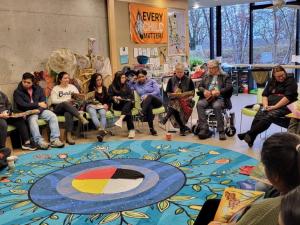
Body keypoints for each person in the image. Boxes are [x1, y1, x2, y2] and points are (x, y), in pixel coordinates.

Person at [194, 132, 300, 225]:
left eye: (264, 165)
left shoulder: (266, 209)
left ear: (275, 176)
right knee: (211, 204)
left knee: (211, 210)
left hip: (256, 211)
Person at [238, 65, 298, 147]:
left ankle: (249, 134)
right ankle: (251, 137)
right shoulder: (271, 81)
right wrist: (265, 105)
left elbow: (288, 97)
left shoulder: (291, 81)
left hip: (287, 106)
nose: (281, 77)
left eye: (282, 75)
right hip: (270, 104)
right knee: (260, 114)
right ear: (274, 76)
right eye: (278, 76)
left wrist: (274, 107)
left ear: (285, 72)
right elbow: (265, 95)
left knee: (269, 115)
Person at [14, 72, 64, 150]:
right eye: (24, 82)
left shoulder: (38, 89)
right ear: (22, 80)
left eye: (28, 83)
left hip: (40, 110)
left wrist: (39, 109)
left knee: (52, 115)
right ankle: (39, 141)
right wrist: (37, 104)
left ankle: (54, 139)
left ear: (33, 82)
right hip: (29, 112)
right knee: (33, 120)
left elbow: (43, 102)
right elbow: (23, 105)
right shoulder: (17, 92)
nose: (26, 84)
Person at [196, 60, 233, 140]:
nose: (209, 70)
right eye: (209, 68)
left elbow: (229, 88)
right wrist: (204, 91)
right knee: (199, 104)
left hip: (220, 98)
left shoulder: (225, 76)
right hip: (208, 97)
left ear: (217, 68)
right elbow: (200, 86)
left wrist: (219, 92)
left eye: (211, 68)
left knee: (216, 106)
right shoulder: (206, 75)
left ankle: (221, 131)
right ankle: (204, 128)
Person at [50, 72, 89, 145]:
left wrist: (77, 99)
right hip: (58, 108)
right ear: (60, 80)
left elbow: (78, 98)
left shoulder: (72, 87)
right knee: (65, 103)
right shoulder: (56, 88)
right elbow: (53, 101)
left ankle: (69, 136)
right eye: (65, 78)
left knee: (68, 113)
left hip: (70, 108)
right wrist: (66, 101)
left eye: (68, 78)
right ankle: (80, 117)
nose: (67, 79)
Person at [160, 63, 195, 136]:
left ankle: (166, 117)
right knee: (176, 103)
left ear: (184, 71)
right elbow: (168, 93)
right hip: (174, 100)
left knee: (175, 105)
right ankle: (182, 127)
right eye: (178, 72)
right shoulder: (171, 80)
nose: (179, 74)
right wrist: (174, 94)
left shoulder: (189, 80)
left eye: (181, 72)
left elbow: (192, 93)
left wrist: (187, 97)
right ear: (175, 71)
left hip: (186, 101)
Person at [132, 69, 163, 135]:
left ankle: (142, 113)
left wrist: (148, 95)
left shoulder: (152, 81)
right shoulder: (136, 85)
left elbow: (157, 91)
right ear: (137, 78)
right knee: (149, 106)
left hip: (156, 101)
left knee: (149, 96)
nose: (141, 78)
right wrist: (132, 80)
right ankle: (152, 129)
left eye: (142, 76)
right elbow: (129, 87)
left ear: (146, 76)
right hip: (145, 103)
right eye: (139, 77)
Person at [108, 71, 135, 139]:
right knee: (128, 110)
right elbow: (109, 98)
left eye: (124, 77)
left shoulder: (127, 85)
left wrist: (122, 98)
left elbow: (131, 97)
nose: (124, 79)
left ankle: (120, 119)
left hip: (127, 103)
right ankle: (131, 130)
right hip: (118, 105)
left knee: (128, 103)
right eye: (122, 78)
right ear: (118, 78)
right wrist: (114, 98)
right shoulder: (111, 86)